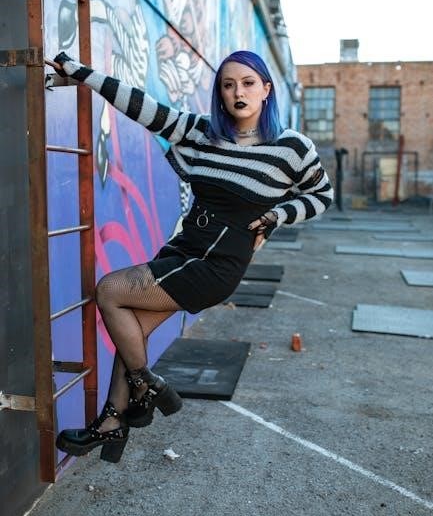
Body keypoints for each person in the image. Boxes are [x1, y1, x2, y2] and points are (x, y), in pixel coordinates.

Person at [53, 49, 333, 463]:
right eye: (228, 85)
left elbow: (321, 195)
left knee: (110, 290)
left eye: (248, 83)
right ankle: (112, 422)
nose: (238, 92)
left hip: (216, 263)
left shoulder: (291, 147)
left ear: (266, 89)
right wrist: (80, 72)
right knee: (133, 331)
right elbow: (141, 106)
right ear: (220, 93)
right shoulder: (203, 132)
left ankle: (147, 385)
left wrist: (278, 215)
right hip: (185, 248)